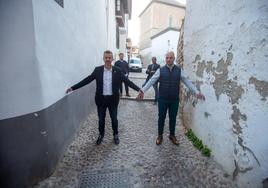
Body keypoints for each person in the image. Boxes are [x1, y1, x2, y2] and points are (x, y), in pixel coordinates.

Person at [66, 50, 141, 145]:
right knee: (101, 119)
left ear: (112, 59)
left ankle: (116, 134)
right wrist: (73, 87)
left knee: (114, 119)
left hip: (113, 100)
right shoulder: (98, 70)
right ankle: (101, 134)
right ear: (103, 58)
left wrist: (139, 89)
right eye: (106, 57)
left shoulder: (117, 70)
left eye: (109, 58)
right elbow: (87, 80)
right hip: (101, 100)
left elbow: (128, 82)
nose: (108, 59)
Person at [137, 51, 205, 145]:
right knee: (161, 117)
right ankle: (160, 135)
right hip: (162, 99)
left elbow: (187, 81)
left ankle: (172, 135)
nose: (169, 59)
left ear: (174, 58)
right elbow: (151, 81)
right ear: (165, 59)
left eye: (171, 58)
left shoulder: (179, 70)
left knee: (172, 118)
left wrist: (196, 92)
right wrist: (142, 90)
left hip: (174, 99)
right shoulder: (160, 70)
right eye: (167, 58)